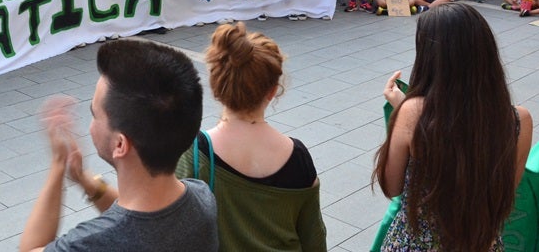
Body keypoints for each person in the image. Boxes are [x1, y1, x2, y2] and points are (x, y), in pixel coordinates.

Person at [20, 39, 218, 251]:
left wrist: (58, 165)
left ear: (120, 144)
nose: (90, 126)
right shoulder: (202, 200)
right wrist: (87, 181)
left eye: (94, 114)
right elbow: (140, 223)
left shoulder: (88, 244)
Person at [375, 2, 532, 251]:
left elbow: (391, 186)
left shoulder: (413, 112)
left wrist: (402, 112)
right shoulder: (518, 120)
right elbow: (503, 191)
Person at [173, 22, 325, 251]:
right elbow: (314, 240)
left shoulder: (193, 151)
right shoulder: (299, 157)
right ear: (273, 91)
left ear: (216, 86)